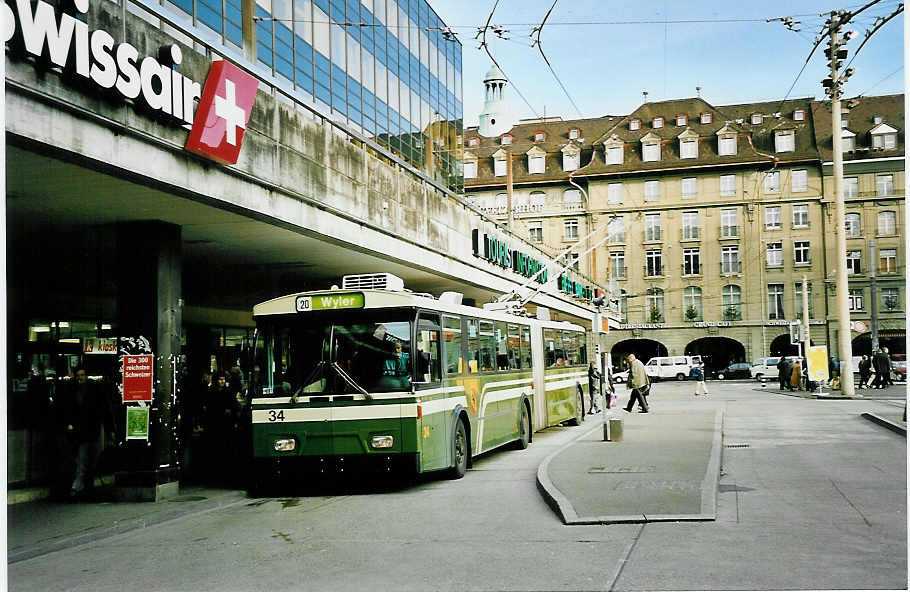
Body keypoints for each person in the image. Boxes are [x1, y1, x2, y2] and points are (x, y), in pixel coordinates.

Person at [62, 367, 107, 499]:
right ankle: (78, 486)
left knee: (90, 460)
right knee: (82, 460)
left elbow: (99, 409)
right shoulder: (74, 392)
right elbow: (69, 410)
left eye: (82, 375)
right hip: (81, 432)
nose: (80, 378)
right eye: (78, 376)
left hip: (91, 430)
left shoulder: (91, 391)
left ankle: (85, 486)